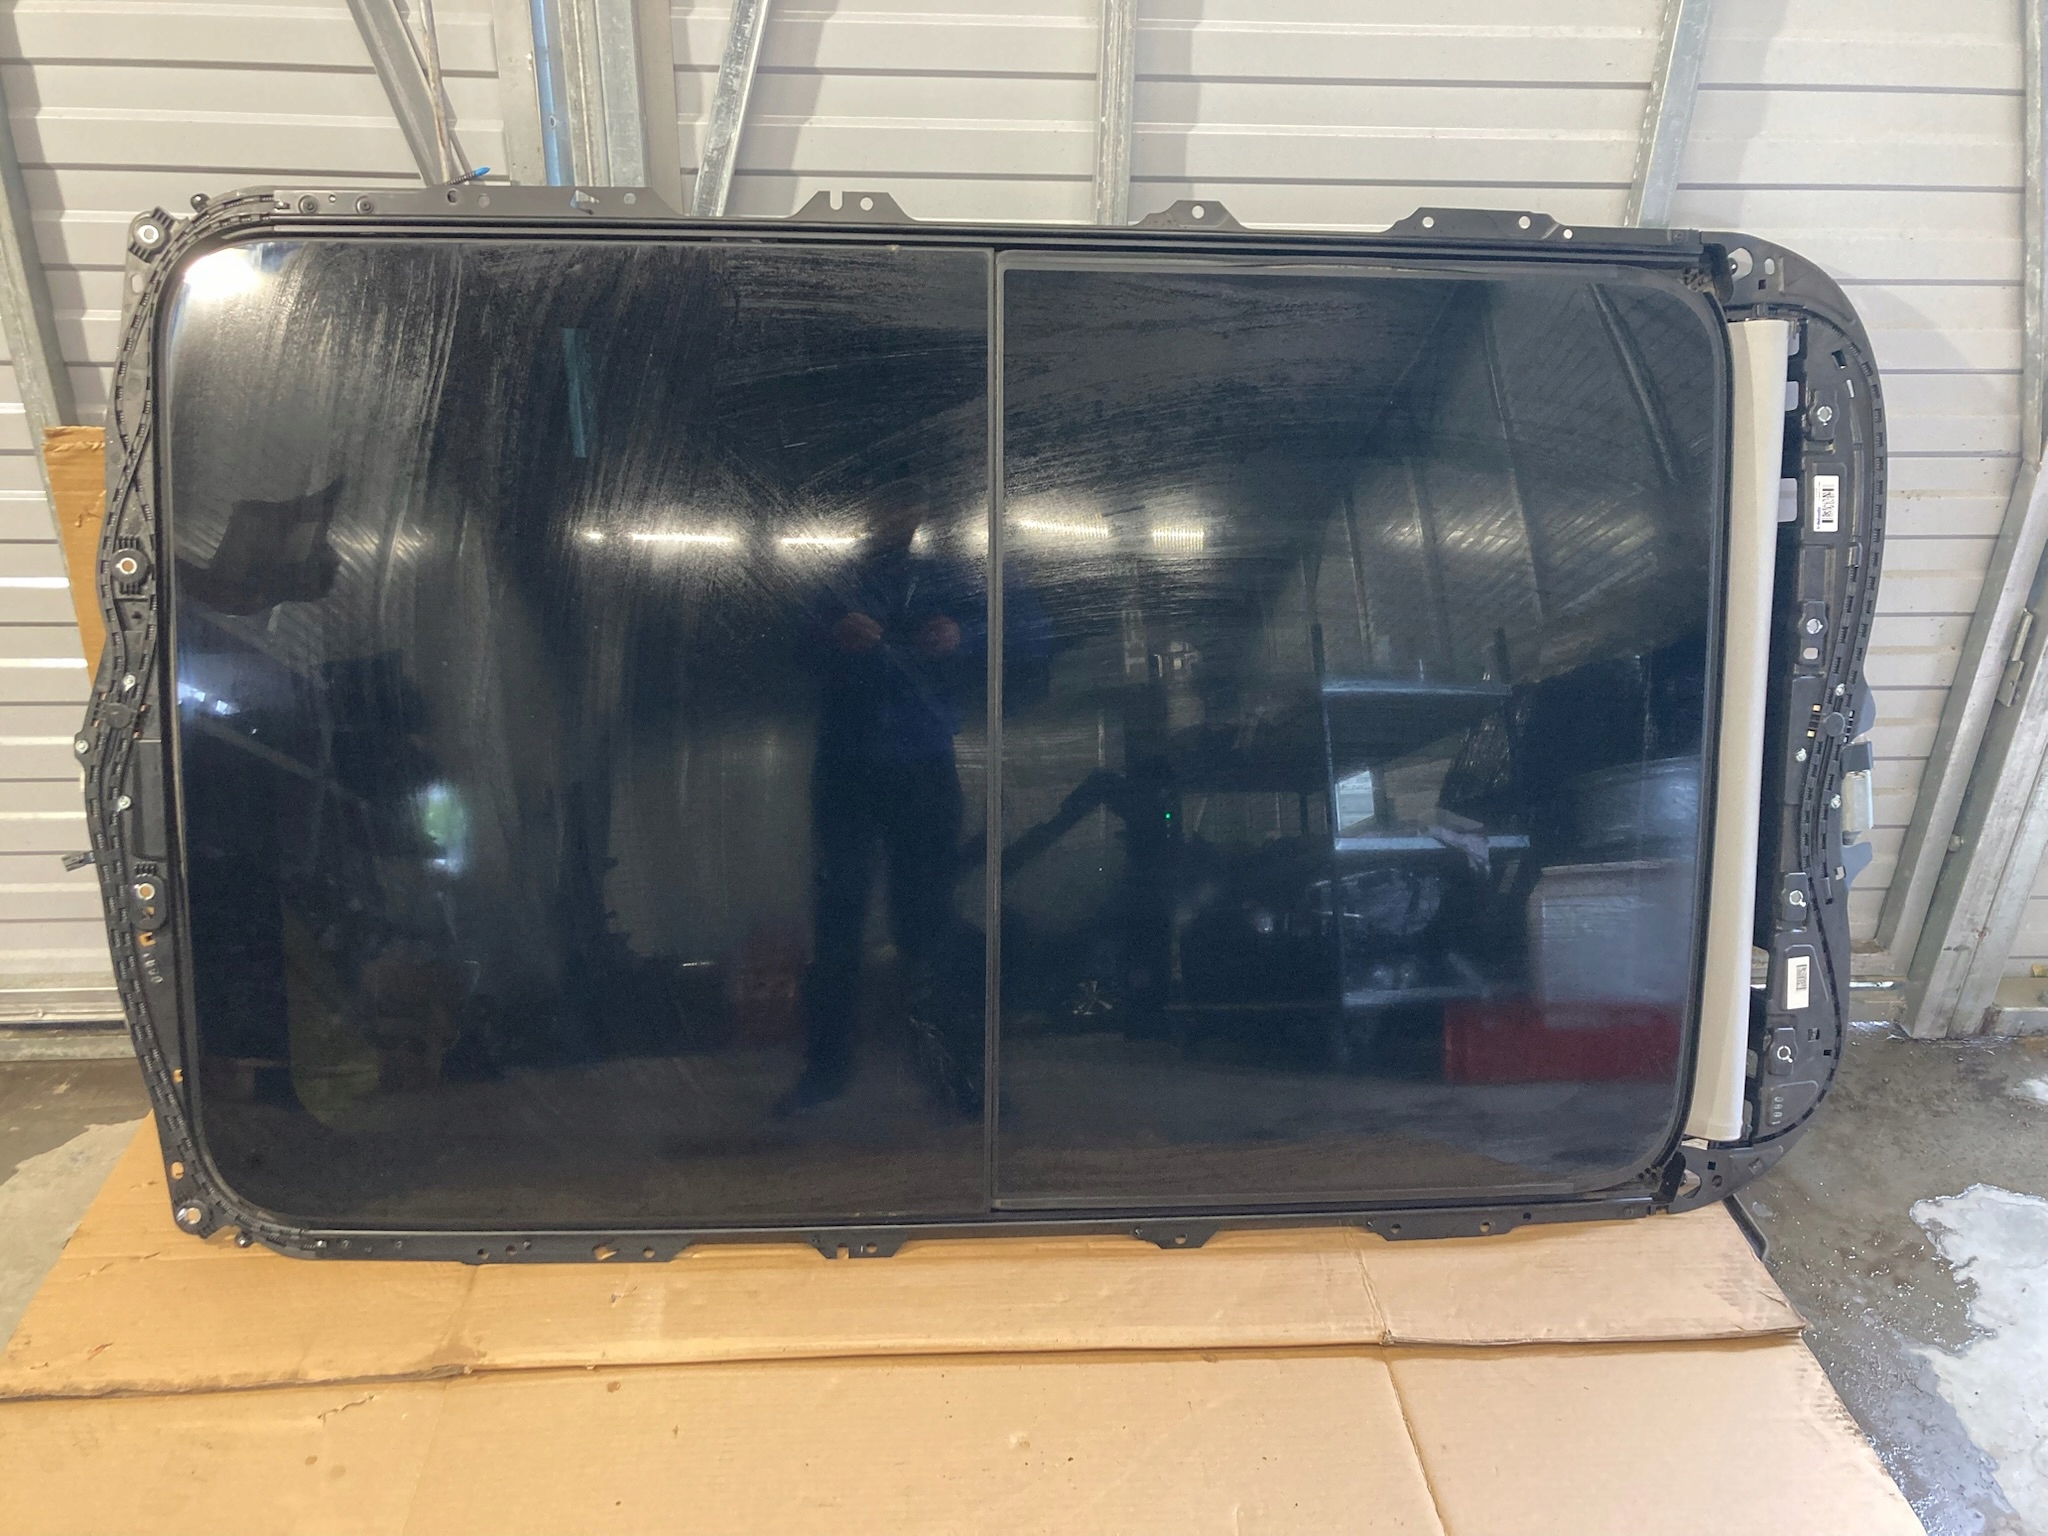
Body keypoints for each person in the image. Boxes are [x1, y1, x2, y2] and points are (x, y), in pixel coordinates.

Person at [777, 474, 984, 1116]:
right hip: (851, 765)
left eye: (908, 501)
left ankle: (952, 1075)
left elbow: (1027, 634)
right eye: (887, 502)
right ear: (869, 509)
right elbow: (783, 640)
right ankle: (826, 1070)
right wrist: (832, 634)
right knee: (839, 919)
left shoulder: (949, 578)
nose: (898, 515)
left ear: (922, 508)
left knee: (929, 921)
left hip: (921, 763)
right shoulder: (835, 581)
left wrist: (962, 637)